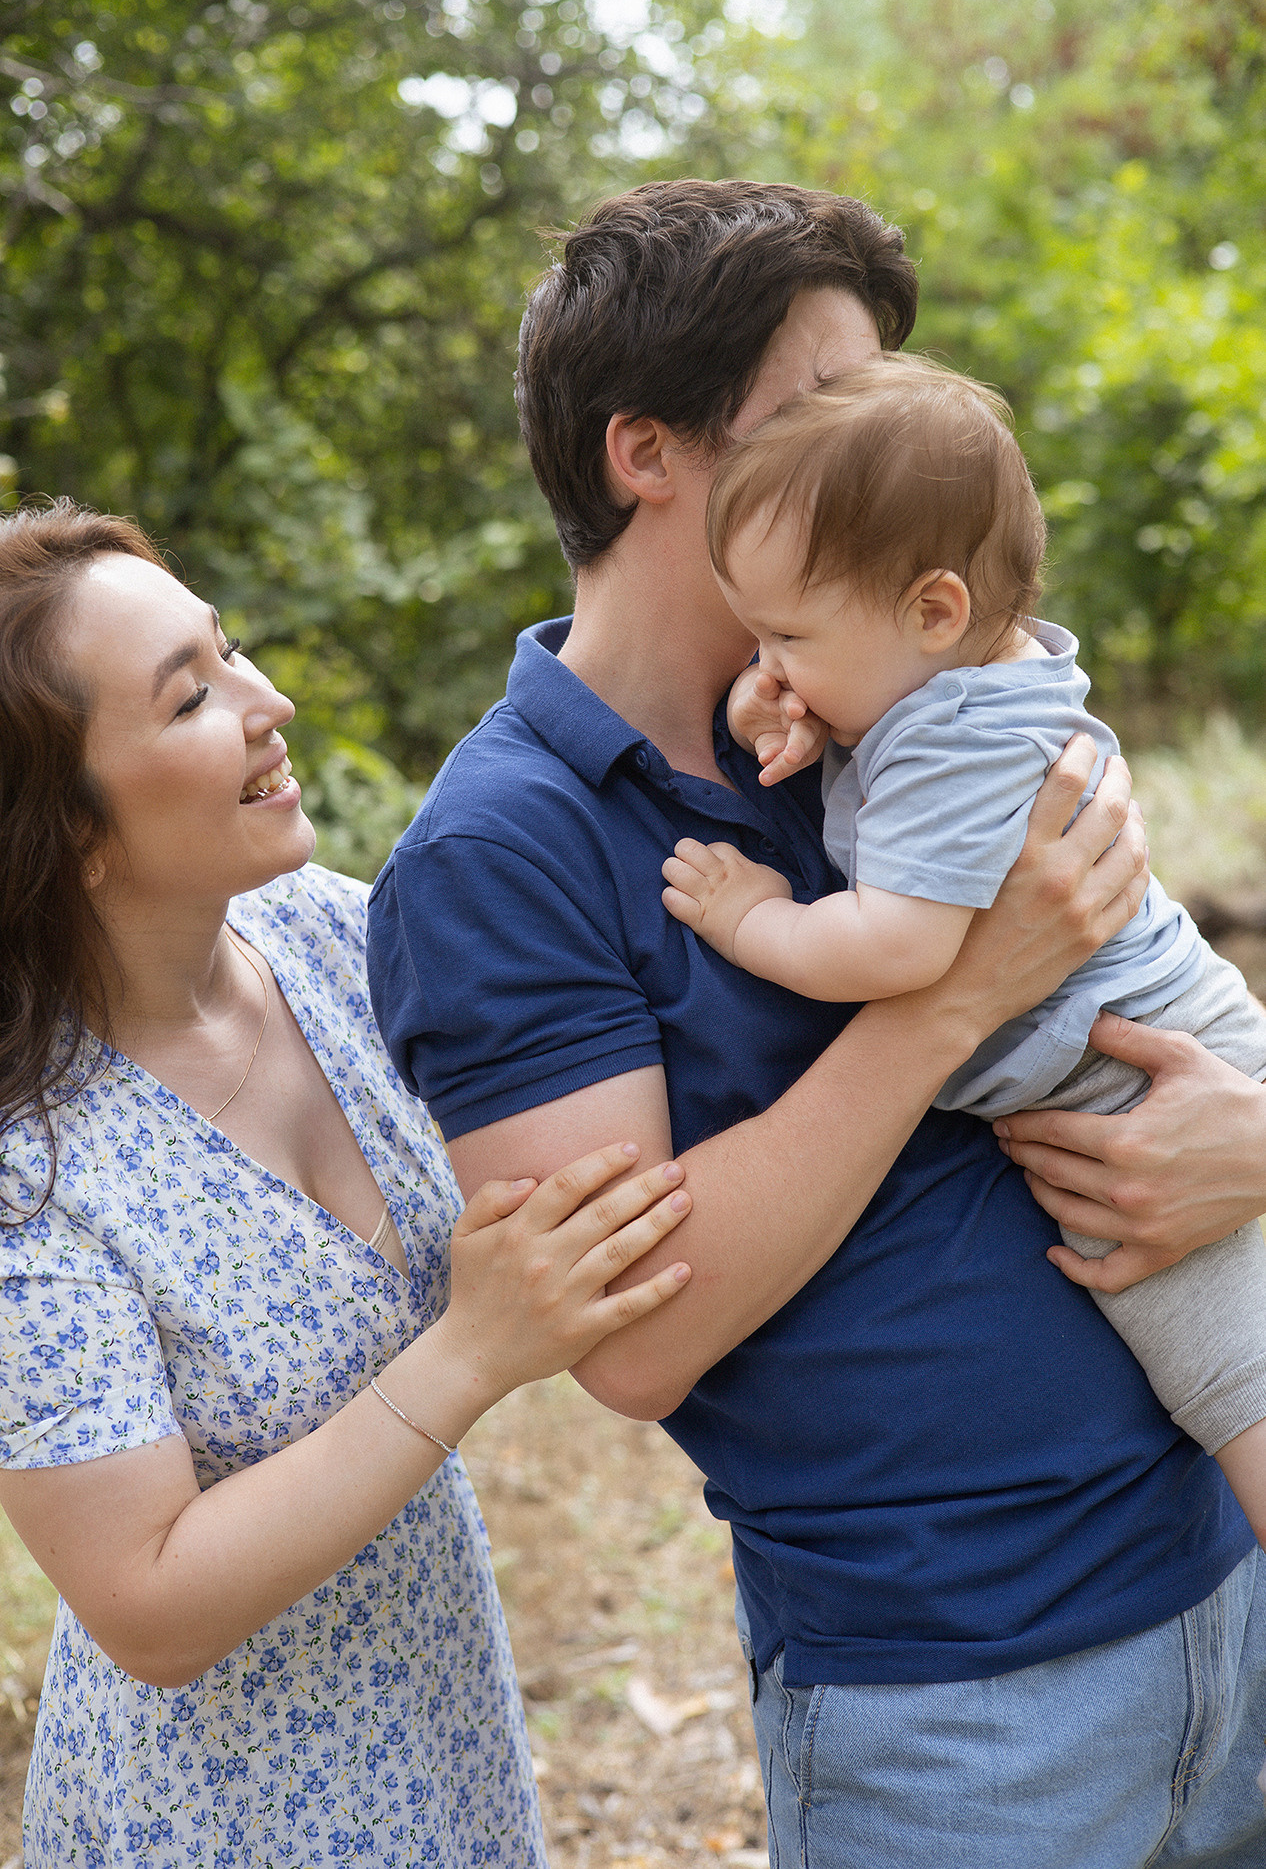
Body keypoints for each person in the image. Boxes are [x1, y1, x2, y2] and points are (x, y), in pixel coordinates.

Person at [367, 179, 1266, 1866]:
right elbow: (628, 1339)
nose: (867, 455)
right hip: (967, 1698)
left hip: (1225, 1561)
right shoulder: (501, 852)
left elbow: (1135, 980)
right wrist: (947, 1008)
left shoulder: (894, 705)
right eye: (817, 407)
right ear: (650, 453)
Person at [0, 500, 693, 1868]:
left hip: (439, 1724)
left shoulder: (324, 935)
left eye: (232, 648)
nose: (272, 702)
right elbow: (147, 1605)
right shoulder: (31, 1169)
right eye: (192, 695)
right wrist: (472, 1351)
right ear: (67, 830)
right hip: (222, 1816)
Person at [661, 350, 1266, 1540]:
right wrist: (779, 692)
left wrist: (753, 917)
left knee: (1240, 1387)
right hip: (1149, 1054)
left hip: (1134, 1079)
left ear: (933, 610)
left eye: (785, 637)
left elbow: (897, 946)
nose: (767, 668)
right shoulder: (960, 681)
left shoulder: (952, 740)